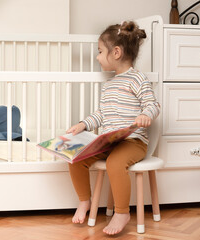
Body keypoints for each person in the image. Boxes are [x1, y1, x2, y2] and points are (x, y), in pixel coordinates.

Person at [66, 21, 160, 235]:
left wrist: (146, 114)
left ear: (116, 52)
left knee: (115, 163)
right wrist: (82, 125)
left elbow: (152, 104)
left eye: (100, 51)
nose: (98, 57)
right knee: (75, 158)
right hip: (109, 140)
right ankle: (84, 201)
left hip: (132, 141)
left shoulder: (137, 79)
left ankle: (122, 212)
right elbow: (101, 114)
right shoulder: (108, 85)